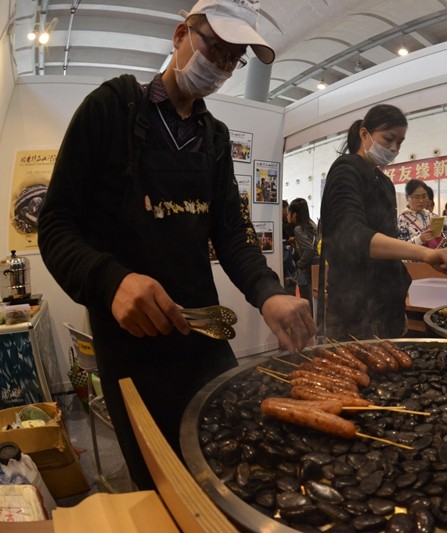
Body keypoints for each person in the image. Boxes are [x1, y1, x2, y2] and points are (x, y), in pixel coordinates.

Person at [37, 0, 316, 491]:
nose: (221, 65)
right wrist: (111, 280)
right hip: (130, 347)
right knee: (165, 485)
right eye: (215, 47)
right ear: (180, 35)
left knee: (233, 468)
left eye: (233, 59)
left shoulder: (214, 138)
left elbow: (232, 234)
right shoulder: (112, 108)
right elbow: (55, 225)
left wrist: (268, 292)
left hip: (204, 337)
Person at [319, 104, 447, 340]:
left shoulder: (384, 182)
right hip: (354, 304)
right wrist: (425, 253)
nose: (394, 148)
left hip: (384, 301)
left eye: (400, 142)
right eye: (388, 139)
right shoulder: (346, 169)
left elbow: (389, 243)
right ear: (364, 134)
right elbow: (351, 235)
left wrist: (396, 305)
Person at [288, 198, 318, 315]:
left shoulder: (298, 229)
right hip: (317, 265)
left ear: (294, 214)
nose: (288, 215)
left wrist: (299, 264)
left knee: (306, 300)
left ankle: (308, 323)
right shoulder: (312, 224)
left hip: (307, 267)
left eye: (289, 212)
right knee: (315, 299)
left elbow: (309, 249)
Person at [397, 179, 442, 247]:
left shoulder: (433, 217)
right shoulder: (402, 220)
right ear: (407, 198)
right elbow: (400, 247)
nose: (421, 201)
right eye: (417, 197)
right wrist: (420, 239)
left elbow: (445, 237)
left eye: (424, 196)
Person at [282, 199, 297, 296]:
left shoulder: (290, 224)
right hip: (286, 258)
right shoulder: (281, 223)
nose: (287, 212)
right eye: (286, 209)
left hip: (291, 258)